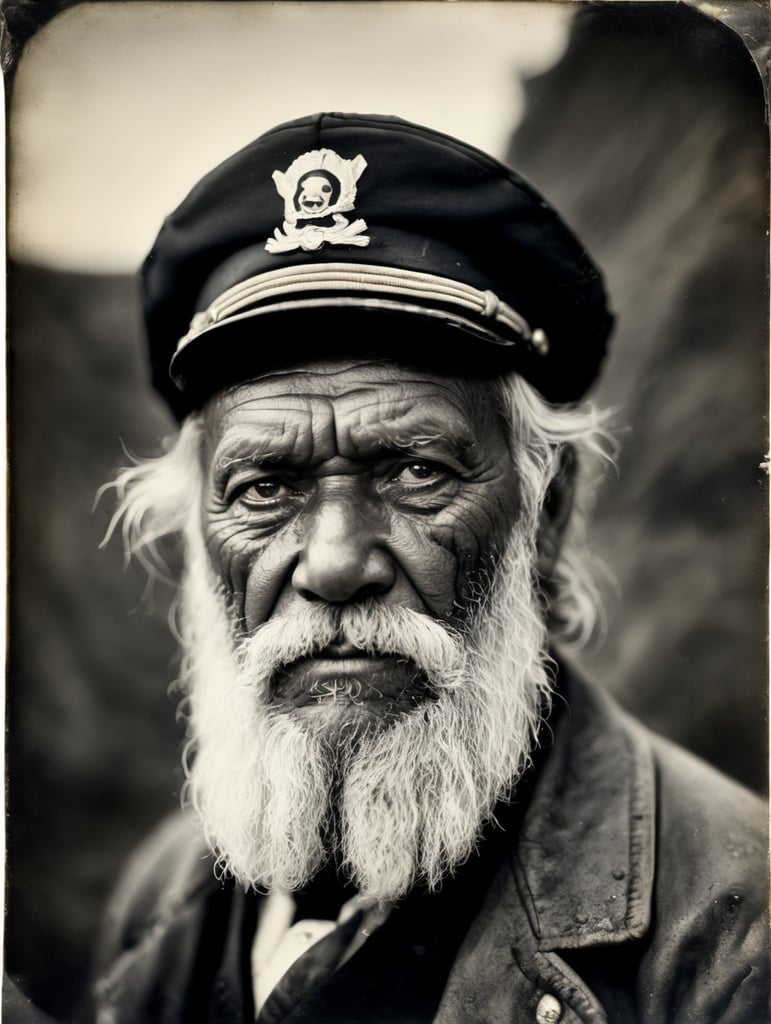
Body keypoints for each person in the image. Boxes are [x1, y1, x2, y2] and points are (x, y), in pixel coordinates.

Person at [90, 113, 766, 1023]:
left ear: (548, 509)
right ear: (193, 533)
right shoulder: (160, 895)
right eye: (263, 486)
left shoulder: (735, 942)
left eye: (415, 471)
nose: (333, 563)